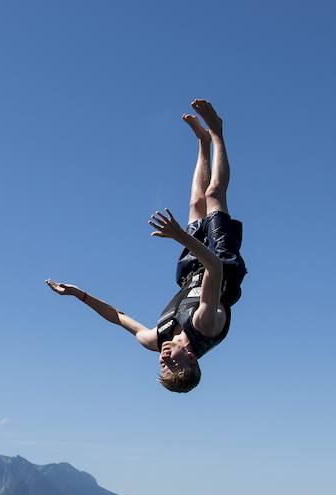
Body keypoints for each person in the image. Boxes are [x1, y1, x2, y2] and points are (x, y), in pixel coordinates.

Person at [45, 99, 247, 393]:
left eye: (163, 367)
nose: (164, 360)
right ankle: (216, 132)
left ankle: (202, 142)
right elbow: (214, 268)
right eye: (173, 364)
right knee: (214, 194)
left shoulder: (156, 339)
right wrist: (180, 237)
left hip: (191, 268)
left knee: (195, 203)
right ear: (192, 358)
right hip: (220, 261)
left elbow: (118, 317)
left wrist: (78, 294)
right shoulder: (206, 327)